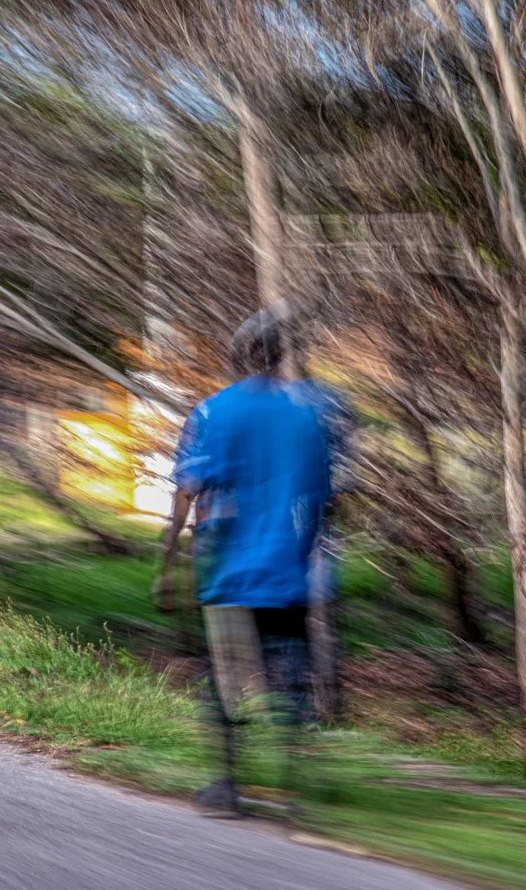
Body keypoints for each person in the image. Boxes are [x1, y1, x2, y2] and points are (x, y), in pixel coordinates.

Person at [151, 309, 339, 818]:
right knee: (291, 676)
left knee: (224, 679)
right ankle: (295, 790)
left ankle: (226, 788)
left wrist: (166, 566)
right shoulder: (308, 417)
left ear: (237, 356)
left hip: (229, 572)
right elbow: (327, 498)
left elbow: (187, 492)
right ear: (282, 355)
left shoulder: (213, 413)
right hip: (289, 572)